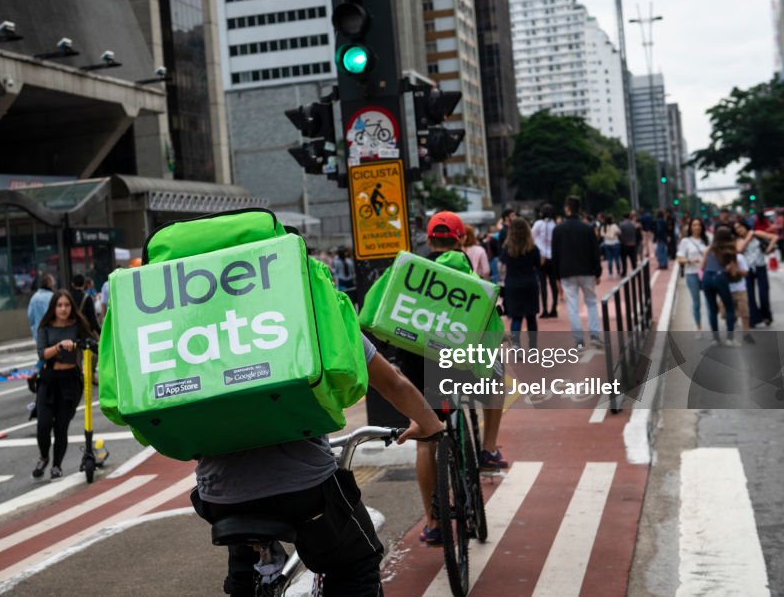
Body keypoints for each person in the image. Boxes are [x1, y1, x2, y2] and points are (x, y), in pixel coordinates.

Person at [192, 332, 443, 596]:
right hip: (306, 491)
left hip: (217, 494)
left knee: (242, 540)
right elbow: (393, 383)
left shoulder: (201, 325)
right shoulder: (311, 308)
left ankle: (243, 582)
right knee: (356, 564)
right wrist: (429, 423)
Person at [398, 211, 509, 546]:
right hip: (457, 365)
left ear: (428, 240)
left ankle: (432, 522)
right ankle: (488, 449)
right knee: (497, 373)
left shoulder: (412, 272)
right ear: (461, 239)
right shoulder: (464, 271)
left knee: (426, 440)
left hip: (418, 367)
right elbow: (488, 319)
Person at [33, 289, 98, 480]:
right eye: (59, 305)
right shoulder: (45, 328)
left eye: (67, 305)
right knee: (43, 425)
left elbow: (93, 342)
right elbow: (41, 353)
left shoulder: (77, 325)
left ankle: (56, 465)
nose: (63, 309)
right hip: (49, 379)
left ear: (72, 307)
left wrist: (84, 343)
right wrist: (60, 346)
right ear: (54, 307)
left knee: (61, 427)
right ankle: (44, 456)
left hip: (70, 380)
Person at [552, 196, 603, 350]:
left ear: (567, 208)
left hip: (567, 271)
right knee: (591, 302)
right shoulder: (587, 228)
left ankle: (579, 340)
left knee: (572, 305)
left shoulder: (558, 229)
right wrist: (598, 271)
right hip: (587, 270)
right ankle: (594, 335)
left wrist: (557, 274)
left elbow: (556, 254)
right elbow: (595, 251)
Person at [501, 217, 541, 349]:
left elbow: (502, 266)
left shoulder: (507, 248)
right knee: (531, 318)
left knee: (516, 318)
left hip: (513, 284)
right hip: (529, 283)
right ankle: (533, 347)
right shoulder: (532, 248)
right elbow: (538, 264)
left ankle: (516, 345)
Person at [733, 220, 778, 326]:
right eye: (736, 229)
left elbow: (774, 237)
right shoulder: (738, 240)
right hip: (747, 269)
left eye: (740, 227)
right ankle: (754, 319)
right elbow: (739, 250)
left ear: (745, 226)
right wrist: (749, 237)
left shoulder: (757, 233)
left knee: (764, 293)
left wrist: (768, 249)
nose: (739, 230)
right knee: (750, 296)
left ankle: (766, 316)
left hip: (760, 266)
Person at [701, 227, 740, 344]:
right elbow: (733, 271)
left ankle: (715, 338)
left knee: (713, 309)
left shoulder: (709, 249)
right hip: (720, 278)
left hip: (707, 278)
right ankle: (730, 338)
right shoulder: (731, 250)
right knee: (729, 308)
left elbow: (702, 267)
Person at [676, 219, 709, 338]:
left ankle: (712, 327)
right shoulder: (685, 241)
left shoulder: (706, 240)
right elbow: (679, 259)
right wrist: (690, 260)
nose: (697, 227)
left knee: (710, 301)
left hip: (706, 274)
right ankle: (698, 327)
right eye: (694, 225)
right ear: (690, 227)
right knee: (696, 302)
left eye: (699, 224)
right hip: (692, 274)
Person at [532, 203, 558, 318]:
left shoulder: (538, 224)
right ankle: (554, 308)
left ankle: (545, 310)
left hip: (541, 258)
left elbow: (532, 236)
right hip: (552, 258)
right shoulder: (554, 225)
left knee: (543, 285)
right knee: (553, 284)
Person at [28, 274, 56, 370]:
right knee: (52, 356)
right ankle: (36, 371)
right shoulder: (52, 297)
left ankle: (38, 373)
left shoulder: (34, 298)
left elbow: (30, 317)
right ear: (49, 283)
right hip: (52, 331)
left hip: (38, 332)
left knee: (44, 355)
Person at [728, 251, 752, 343]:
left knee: (745, 312)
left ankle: (746, 334)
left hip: (740, 288)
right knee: (729, 314)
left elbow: (746, 272)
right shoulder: (721, 257)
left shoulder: (740, 257)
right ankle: (730, 335)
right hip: (727, 288)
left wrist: (736, 269)